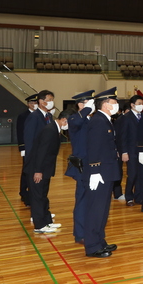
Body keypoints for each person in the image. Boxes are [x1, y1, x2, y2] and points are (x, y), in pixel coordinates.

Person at [84, 87, 121, 258]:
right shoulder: (98, 121)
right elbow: (94, 148)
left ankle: (100, 241)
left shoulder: (105, 120)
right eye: (114, 102)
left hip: (107, 171)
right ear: (105, 104)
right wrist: (95, 171)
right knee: (96, 209)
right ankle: (92, 246)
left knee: (103, 209)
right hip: (100, 173)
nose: (116, 105)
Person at [27, 110, 72, 233]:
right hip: (38, 169)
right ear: (64, 120)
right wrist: (38, 171)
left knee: (43, 196)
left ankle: (47, 221)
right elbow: (41, 152)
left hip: (45, 169)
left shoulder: (54, 129)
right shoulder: (50, 130)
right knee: (37, 197)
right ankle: (39, 225)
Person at [66, 90, 96, 244]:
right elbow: (75, 122)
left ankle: (89, 230)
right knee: (82, 200)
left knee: (91, 200)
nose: (92, 106)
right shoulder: (75, 118)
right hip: (82, 166)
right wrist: (86, 109)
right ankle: (80, 233)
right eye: (88, 103)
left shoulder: (90, 119)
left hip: (92, 165)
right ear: (80, 104)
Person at [117, 95, 143, 206]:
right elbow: (122, 136)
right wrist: (124, 152)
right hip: (130, 150)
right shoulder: (126, 117)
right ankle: (129, 196)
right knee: (132, 174)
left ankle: (138, 196)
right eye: (139, 103)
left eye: (142, 104)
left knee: (140, 174)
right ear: (132, 105)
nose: (141, 106)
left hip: (141, 151)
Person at [17, 93, 38, 207]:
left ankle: (33, 193)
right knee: (26, 171)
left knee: (36, 170)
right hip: (28, 148)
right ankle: (24, 193)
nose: (33, 104)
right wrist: (22, 147)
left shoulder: (40, 115)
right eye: (31, 103)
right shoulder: (23, 116)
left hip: (38, 149)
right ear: (28, 104)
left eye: (35, 102)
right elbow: (20, 132)